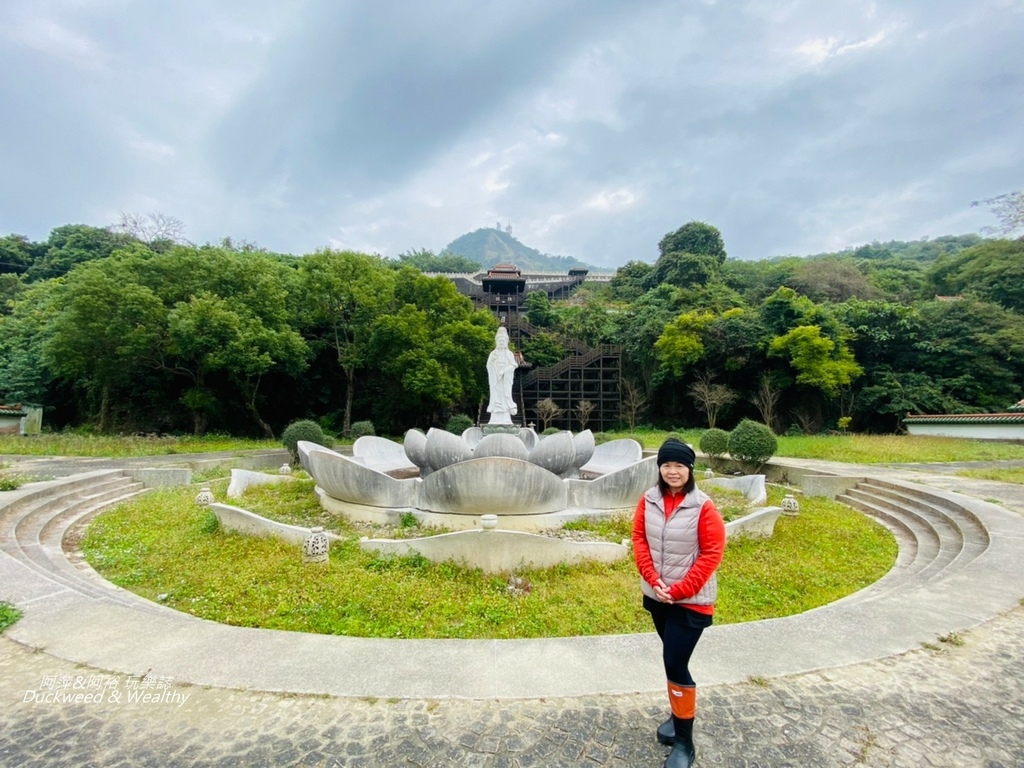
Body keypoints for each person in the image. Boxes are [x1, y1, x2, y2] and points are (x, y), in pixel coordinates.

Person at [632, 438, 726, 768]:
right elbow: (640, 539)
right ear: (659, 468)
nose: (673, 471)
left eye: (680, 466)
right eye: (667, 465)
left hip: (691, 602)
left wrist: (681, 589)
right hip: (658, 597)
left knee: (675, 662)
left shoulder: (703, 506)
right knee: (673, 660)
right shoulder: (649, 500)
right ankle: (677, 715)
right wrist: (653, 579)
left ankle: (685, 743)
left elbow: (712, 553)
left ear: (690, 470)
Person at [486, 326, 518, 424]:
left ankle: (506, 419)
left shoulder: (509, 354)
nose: (501, 342)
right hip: (496, 380)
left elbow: (514, 365)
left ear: (506, 342)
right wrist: (493, 364)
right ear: (496, 341)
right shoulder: (493, 353)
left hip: (505, 381)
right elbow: (488, 365)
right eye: (499, 340)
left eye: (503, 340)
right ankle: (494, 419)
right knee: (496, 397)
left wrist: (505, 371)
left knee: (505, 396)